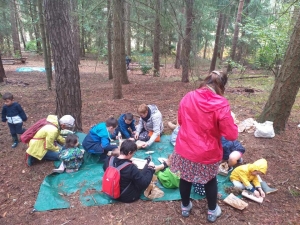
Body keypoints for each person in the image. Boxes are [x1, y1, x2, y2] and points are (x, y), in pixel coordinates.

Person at [170, 70, 238, 223]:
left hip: (186, 148)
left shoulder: (188, 96)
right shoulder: (221, 104)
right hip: (207, 152)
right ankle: (212, 211)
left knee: (185, 178)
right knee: (210, 180)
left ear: (206, 81)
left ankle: (185, 207)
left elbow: (180, 121)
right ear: (222, 86)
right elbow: (231, 135)